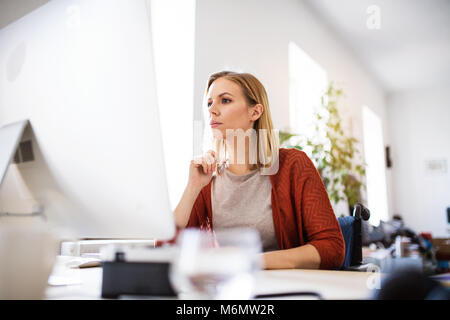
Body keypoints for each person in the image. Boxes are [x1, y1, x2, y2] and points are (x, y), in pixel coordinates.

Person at [172, 71, 344, 270]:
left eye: (225, 100)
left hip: (287, 289)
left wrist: (250, 261)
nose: (212, 110)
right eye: (209, 103)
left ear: (255, 112)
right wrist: (192, 188)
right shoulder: (206, 177)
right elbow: (165, 250)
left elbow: (332, 249)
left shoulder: (294, 165)